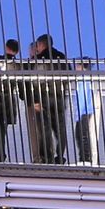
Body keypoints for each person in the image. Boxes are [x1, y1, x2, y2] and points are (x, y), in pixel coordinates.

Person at [25, 34, 72, 164]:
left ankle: (46, 157)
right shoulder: (61, 57)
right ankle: (60, 156)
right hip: (59, 97)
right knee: (60, 128)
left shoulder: (39, 59)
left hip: (43, 97)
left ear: (41, 44)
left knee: (44, 128)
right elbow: (69, 75)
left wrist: (35, 100)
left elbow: (35, 81)